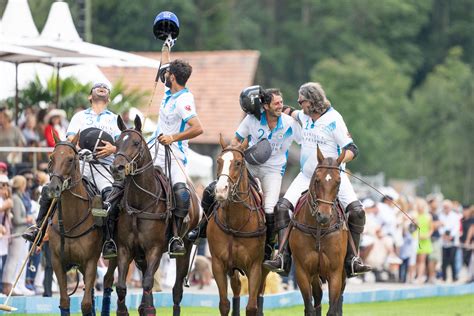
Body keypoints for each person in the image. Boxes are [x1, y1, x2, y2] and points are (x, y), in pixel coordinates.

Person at [263, 82, 372, 277]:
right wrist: (268, 107)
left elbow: (352, 149)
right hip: (306, 176)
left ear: (312, 101)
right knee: (281, 208)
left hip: (331, 177)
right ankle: (283, 257)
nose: (299, 103)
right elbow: (290, 111)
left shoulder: (334, 120)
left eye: (301, 100)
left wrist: (336, 163)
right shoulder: (304, 116)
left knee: (357, 212)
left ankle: (352, 260)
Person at [187, 87, 300, 263]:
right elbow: (237, 139)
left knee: (270, 209)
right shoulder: (251, 120)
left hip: (273, 171)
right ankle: (202, 228)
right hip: (250, 164)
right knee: (213, 189)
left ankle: (269, 247)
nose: (280, 106)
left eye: (281, 102)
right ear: (265, 106)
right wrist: (235, 152)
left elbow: (305, 140)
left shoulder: (289, 124)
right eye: (276, 103)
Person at [22, 83, 121, 259]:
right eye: (97, 88)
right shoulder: (79, 117)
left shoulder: (114, 119)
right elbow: (69, 140)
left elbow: (123, 145)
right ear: (90, 97)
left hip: (103, 167)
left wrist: (113, 149)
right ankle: (39, 229)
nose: (101, 88)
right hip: (79, 166)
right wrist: (77, 148)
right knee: (50, 189)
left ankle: (108, 240)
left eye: (105, 88)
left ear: (109, 98)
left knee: (109, 196)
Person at [147, 37, 203, 257]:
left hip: (174, 154)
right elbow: (163, 65)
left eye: (168, 74)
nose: (165, 75)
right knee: (125, 178)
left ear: (174, 78)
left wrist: (173, 137)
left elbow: (198, 128)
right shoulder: (169, 91)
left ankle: (176, 237)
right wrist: (166, 45)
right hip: (153, 148)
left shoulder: (184, 100)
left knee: (181, 194)